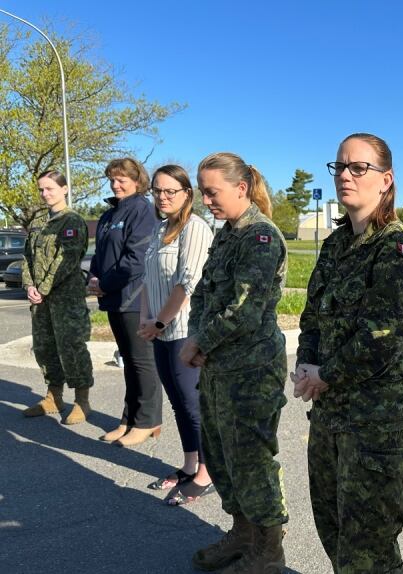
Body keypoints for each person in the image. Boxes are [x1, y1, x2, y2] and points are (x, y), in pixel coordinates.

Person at [293, 133, 403, 573]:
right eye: (340, 167)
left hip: (379, 420)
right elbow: (311, 315)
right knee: (332, 525)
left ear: (385, 179)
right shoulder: (335, 246)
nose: (346, 176)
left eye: (359, 168)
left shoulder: (396, 245)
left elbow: (384, 335)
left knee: (368, 544)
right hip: (331, 411)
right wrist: (304, 363)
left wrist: (324, 372)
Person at [180, 153, 288, 573]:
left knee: (252, 461)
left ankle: (269, 550)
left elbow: (245, 310)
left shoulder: (260, 236)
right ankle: (243, 533)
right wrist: (197, 340)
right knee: (223, 457)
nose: (206, 200)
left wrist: (200, 343)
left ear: (240, 188)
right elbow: (205, 293)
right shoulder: (225, 234)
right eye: (203, 192)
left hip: (251, 370)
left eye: (212, 191)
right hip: (218, 366)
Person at [138, 165, 215, 504]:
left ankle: (207, 472)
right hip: (160, 331)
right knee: (177, 403)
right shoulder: (159, 230)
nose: (163, 197)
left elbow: (188, 282)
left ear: (187, 194)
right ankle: (188, 464)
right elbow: (147, 279)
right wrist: (146, 320)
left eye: (171, 191)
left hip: (183, 330)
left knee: (193, 404)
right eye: (157, 190)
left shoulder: (194, 228)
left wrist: (160, 322)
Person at [89, 158, 163, 447]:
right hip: (113, 298)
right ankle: (128, 418)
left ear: (137, 181)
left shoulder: (142, 210)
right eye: (112, 179)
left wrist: (104, 284)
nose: (115, 184)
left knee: (142, 362)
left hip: (134, 299)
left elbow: (135, 260)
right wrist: (94, 277)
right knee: (129, 362)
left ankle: (147, 421)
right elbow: (99, 254)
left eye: (121, 179)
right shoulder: (110, 214)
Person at [21, 170, 93, 425]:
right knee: (45, 349)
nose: (45, 194)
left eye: (50, 188)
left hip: (66, 300)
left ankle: (82, 401)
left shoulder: (71, 220)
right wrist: (29, 284)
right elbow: (27, 257)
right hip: (41, 302)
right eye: (41, 189)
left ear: (64, 189)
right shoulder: (40, 221)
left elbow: (67, 260)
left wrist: (43, 287)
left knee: (72, 348)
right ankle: (53, 397)